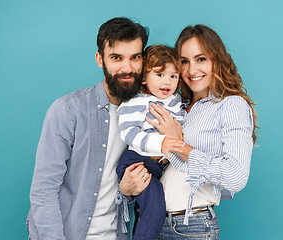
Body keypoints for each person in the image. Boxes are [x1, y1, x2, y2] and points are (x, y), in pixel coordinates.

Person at [26, 17, 152, 240]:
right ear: (100, 59)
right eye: (116, 57)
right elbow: (43, 192)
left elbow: (126, 187)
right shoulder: (67, 110)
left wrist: (128, 192)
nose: (127, 67)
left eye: (135, 57)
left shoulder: (145, 114)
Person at [146, 24, 258, 239]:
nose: (191, 70)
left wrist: (179, 144)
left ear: (217, 60)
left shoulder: (230, 105)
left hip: (191, 226)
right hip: (153, 222)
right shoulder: (177, 106)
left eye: (201, 59)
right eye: (184, 61)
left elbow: (235, 177)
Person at [115, 45, 185, 240]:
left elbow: (182, 129)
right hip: (136, 160)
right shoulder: (135, 101)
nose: (167, 81)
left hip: (159, 166)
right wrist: (161, 144)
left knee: (150, 209)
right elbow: (129, 133)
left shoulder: (176, 101)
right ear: (144, 78)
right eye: (160, 74)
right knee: (155, 206)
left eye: (173, 76)